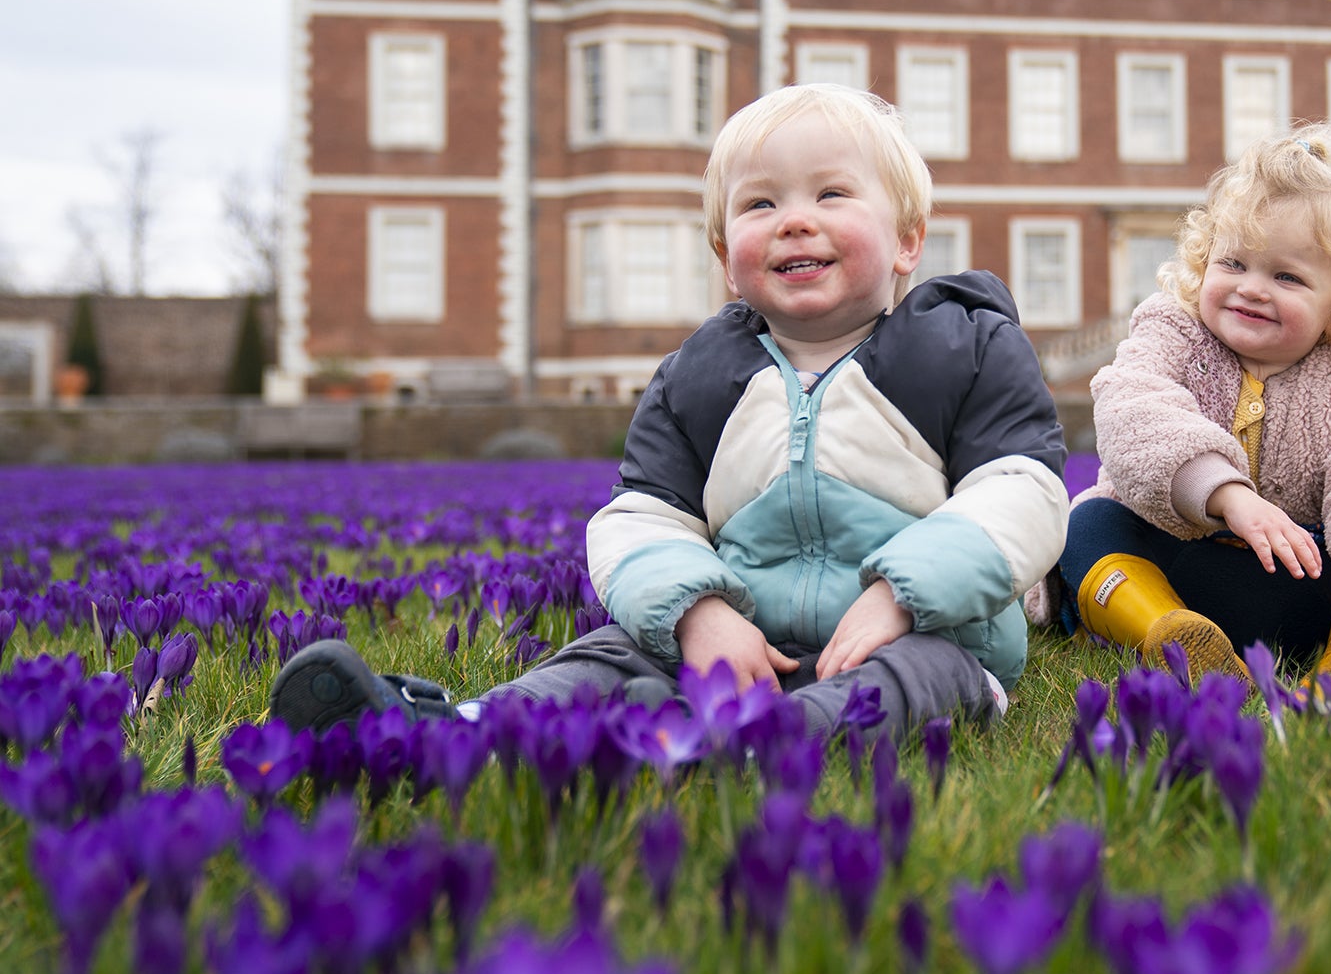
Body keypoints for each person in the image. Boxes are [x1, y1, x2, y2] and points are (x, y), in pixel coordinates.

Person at [271, 83, 1069, 741]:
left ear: (907, 240)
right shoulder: (698, 376)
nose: (794, 218)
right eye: (760, 204)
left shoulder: (961, 347)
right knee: (612, 653)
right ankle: (465, 729)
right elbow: (641, 517)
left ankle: (765, 748)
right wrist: (698, 610)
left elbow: (1021, 491)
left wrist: (905, 592)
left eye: (831, 193)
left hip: (925, 634)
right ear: (727, 261)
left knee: (912, 681)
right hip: (740, 637)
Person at [1051, 125, 1331, 690]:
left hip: (1298, 576)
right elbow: (1135, 409)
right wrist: (1229, 497)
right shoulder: (1171, 332)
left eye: (1286, 276)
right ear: (1203, 261)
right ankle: (1162, 631)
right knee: (1087, 525)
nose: (1252, 288)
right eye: (1232, 263)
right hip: (1176, 565)